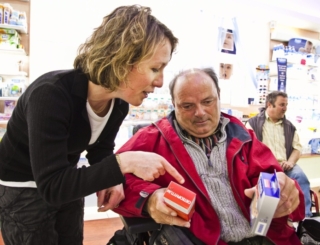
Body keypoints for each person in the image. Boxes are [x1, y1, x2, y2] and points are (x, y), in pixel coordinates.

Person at [0, 5, 185, 245]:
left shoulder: (118, 104)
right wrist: (124, 164)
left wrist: (112, 179)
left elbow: (100, 150)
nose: (160, 81)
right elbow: (52, 186)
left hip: (65, 183)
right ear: (123, 59)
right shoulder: (50, 95)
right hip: (22, 188)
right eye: (155, 68)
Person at [114, 68, 305, 245]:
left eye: (207, 102)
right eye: (187, 106)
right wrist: (150, 200)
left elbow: (277, 181)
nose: (200, 113)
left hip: (263, 238)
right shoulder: (152, 139)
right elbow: (113, 181)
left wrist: (286, 191)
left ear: (218, 97)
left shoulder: (244, 137)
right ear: (174, 105)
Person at [246, 91, 312, 218]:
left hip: (286, 164)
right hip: (264, 166)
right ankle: (266, 222)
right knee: (267, 187)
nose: (285, 108)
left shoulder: (290, 126)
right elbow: (247, 148)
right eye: (282, 105)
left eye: (286, 105)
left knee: (300, 177)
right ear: (269, 105)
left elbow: (297, 148)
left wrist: (291, 162)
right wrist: (263, 164)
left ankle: (306, 219)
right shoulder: (253, 123)